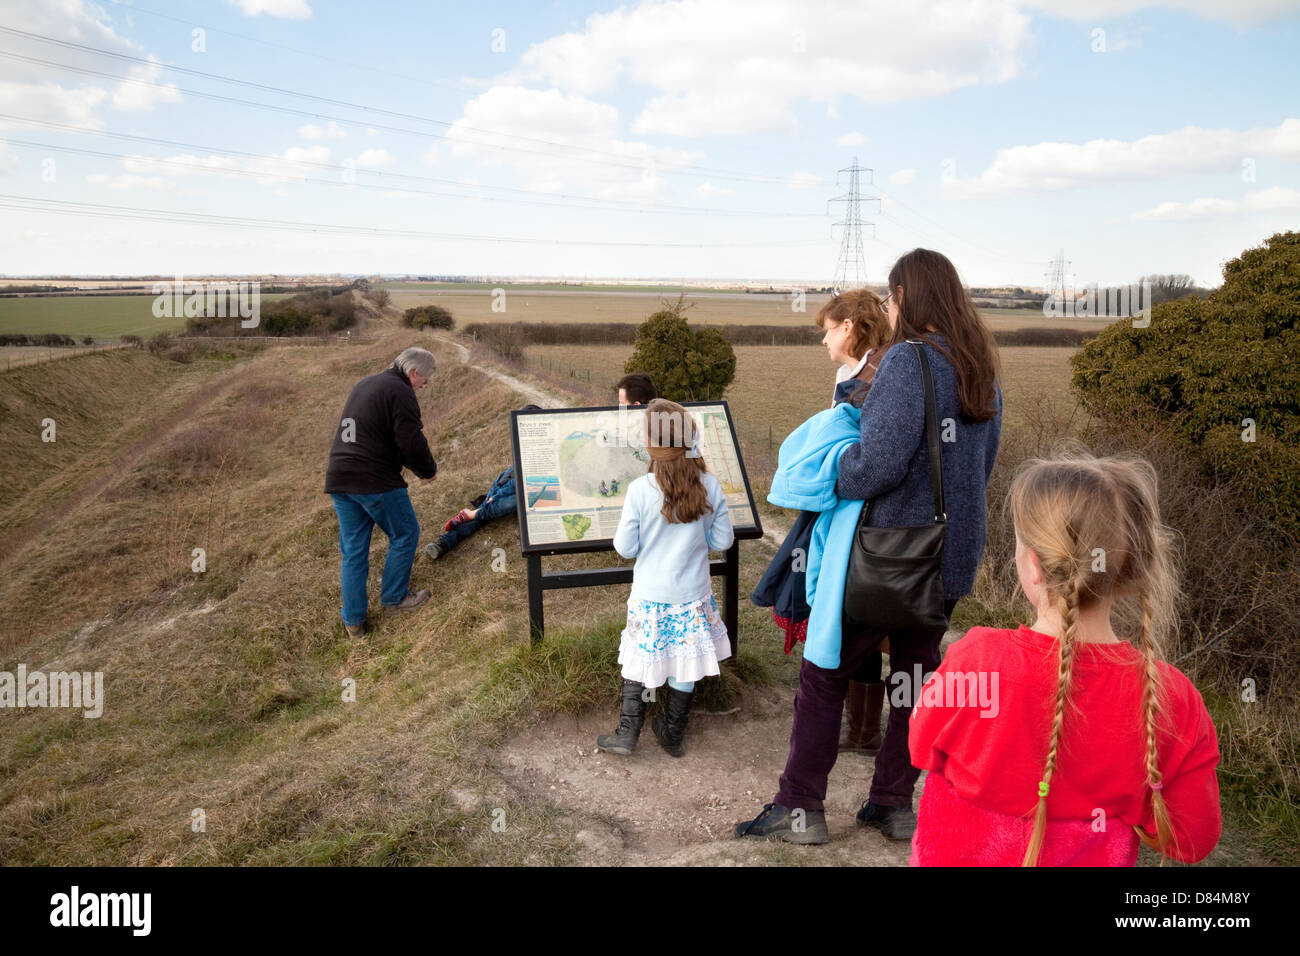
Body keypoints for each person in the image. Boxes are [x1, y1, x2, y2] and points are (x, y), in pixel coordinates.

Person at [736, 248, 1002, 844]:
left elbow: (875, 465)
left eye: (892, 293)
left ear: (909, 295)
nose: (887, 304)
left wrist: (833, 467)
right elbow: (979, 466)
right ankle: (892, 804)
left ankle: (799, 807)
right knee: (912, 678)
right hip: (950, 554)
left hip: (888, 554)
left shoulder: (909, 361)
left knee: (825, 670)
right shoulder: (980, 365)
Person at [910, 451, 1222, 865]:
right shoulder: (1173, 700)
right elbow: (1192, 838)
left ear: (1034, 565)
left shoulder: (976, 660)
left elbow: (920, 746)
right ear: (1131, 566)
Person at [750, 288, 894, 754]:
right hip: (839, 503)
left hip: (868, 513)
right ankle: (861, 728)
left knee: (858, 613)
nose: (824, 340)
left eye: (827, 330)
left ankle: (862, 731)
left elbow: (872, 448)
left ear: (848, 326)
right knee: (849, 612)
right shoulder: (849, 371)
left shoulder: (883, 372)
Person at [597, 398, 734, 758]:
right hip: (692, 594)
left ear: (651, 445)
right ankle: (672, 731)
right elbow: (722, 541)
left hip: (650, 595)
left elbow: (625, 548)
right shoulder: (709, 486)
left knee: (640, 657)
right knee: (685, 660)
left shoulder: (641, 490)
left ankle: (628, 731)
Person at [324, 346, 438, 638]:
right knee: (405, 532)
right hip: (373, 478)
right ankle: (394, 597)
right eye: (424, 382)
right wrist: (427, 471)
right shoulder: (400, 392)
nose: (423, 387)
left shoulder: (367, 383)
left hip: (340, 476)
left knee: (353, 550)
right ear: (414, 373)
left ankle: (353, 622)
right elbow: (410, 441)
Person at [425, 404, 540, 561]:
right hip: (505, 487)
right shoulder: (528, 447)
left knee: (516, 501)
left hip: (513, 488)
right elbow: (513, 481)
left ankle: (445, 542)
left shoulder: (539, 448)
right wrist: (496, 495)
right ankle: (460, 527)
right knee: (511, 502)